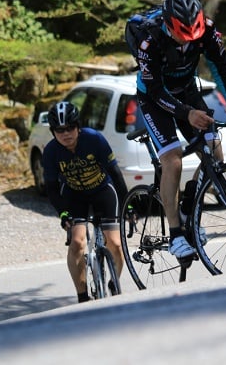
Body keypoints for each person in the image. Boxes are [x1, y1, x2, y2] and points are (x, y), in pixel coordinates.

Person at [132, 0, 226, 260]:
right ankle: (176, 234)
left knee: (213, 146)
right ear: (168, 24)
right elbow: (154, 91)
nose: (188, 38)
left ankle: (190, 207)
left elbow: (223, 70)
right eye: (181, 33)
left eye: (193, 33)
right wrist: (186, 114)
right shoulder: (149, 40)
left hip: (186, 90)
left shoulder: (208, 31)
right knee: (173, 158)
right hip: (155, 98)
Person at [42, 101, 128, 303]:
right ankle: (82, 296)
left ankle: (114, 282)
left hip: (102, 190)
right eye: (59, 130)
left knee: (115, 243)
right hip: (74, 195)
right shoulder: (51, 152)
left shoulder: (94, 139)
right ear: (53, 132)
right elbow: (52, 189)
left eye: (70, 128)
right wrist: (62, 213)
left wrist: (128, 204)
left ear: (78, 126)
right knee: (77, 242)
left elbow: (115, 173)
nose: (66, 134)